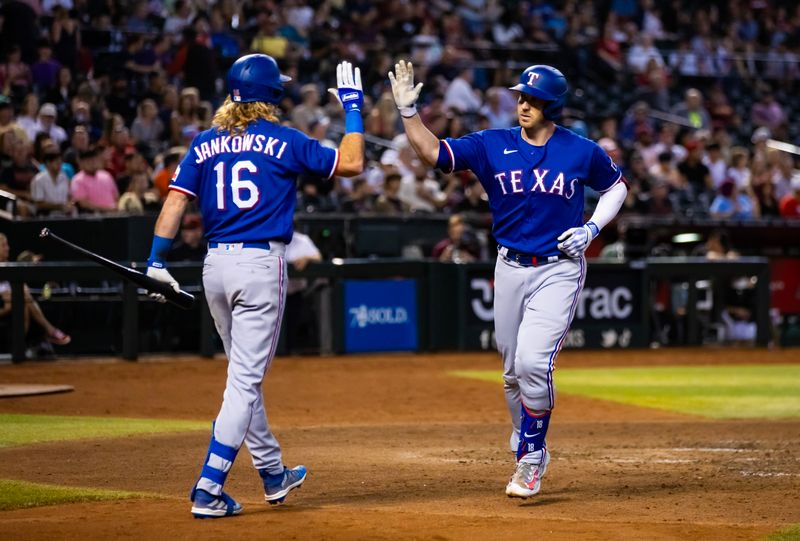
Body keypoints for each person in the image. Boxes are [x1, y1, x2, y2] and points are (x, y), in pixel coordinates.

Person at [388, 61, 627, 499]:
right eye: (521, 96)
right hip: (509, 266)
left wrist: (592, 229)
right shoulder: (491, 144)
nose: (523, 104)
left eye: (533, 99)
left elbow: (616, 188)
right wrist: (408, 114)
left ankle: (532, 459)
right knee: (511, 374)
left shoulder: (580, 150)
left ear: (552, 105)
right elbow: (435, 153)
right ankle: (527, 445)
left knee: (534, 363)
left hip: (558, 267)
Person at [144, 54, 365, 518]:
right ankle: (209, 485)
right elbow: (352, 163)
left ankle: (271, 472)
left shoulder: (203, 142)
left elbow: (174, 202)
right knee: (244, 381)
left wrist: (155, 260)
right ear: (273, 95)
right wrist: (352, 108)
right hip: (260, 264)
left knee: (242, 376)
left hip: (215, 266)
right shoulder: (284, 140)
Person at [0, 233, 71, 350]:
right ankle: (50, 330)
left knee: (24, 301)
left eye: (7, 245)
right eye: (3, 245)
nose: (8, 248)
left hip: (17, 304)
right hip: (4, 306)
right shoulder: (8, 268)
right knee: (22, 294)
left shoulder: (11, 266)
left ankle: (19, 349)